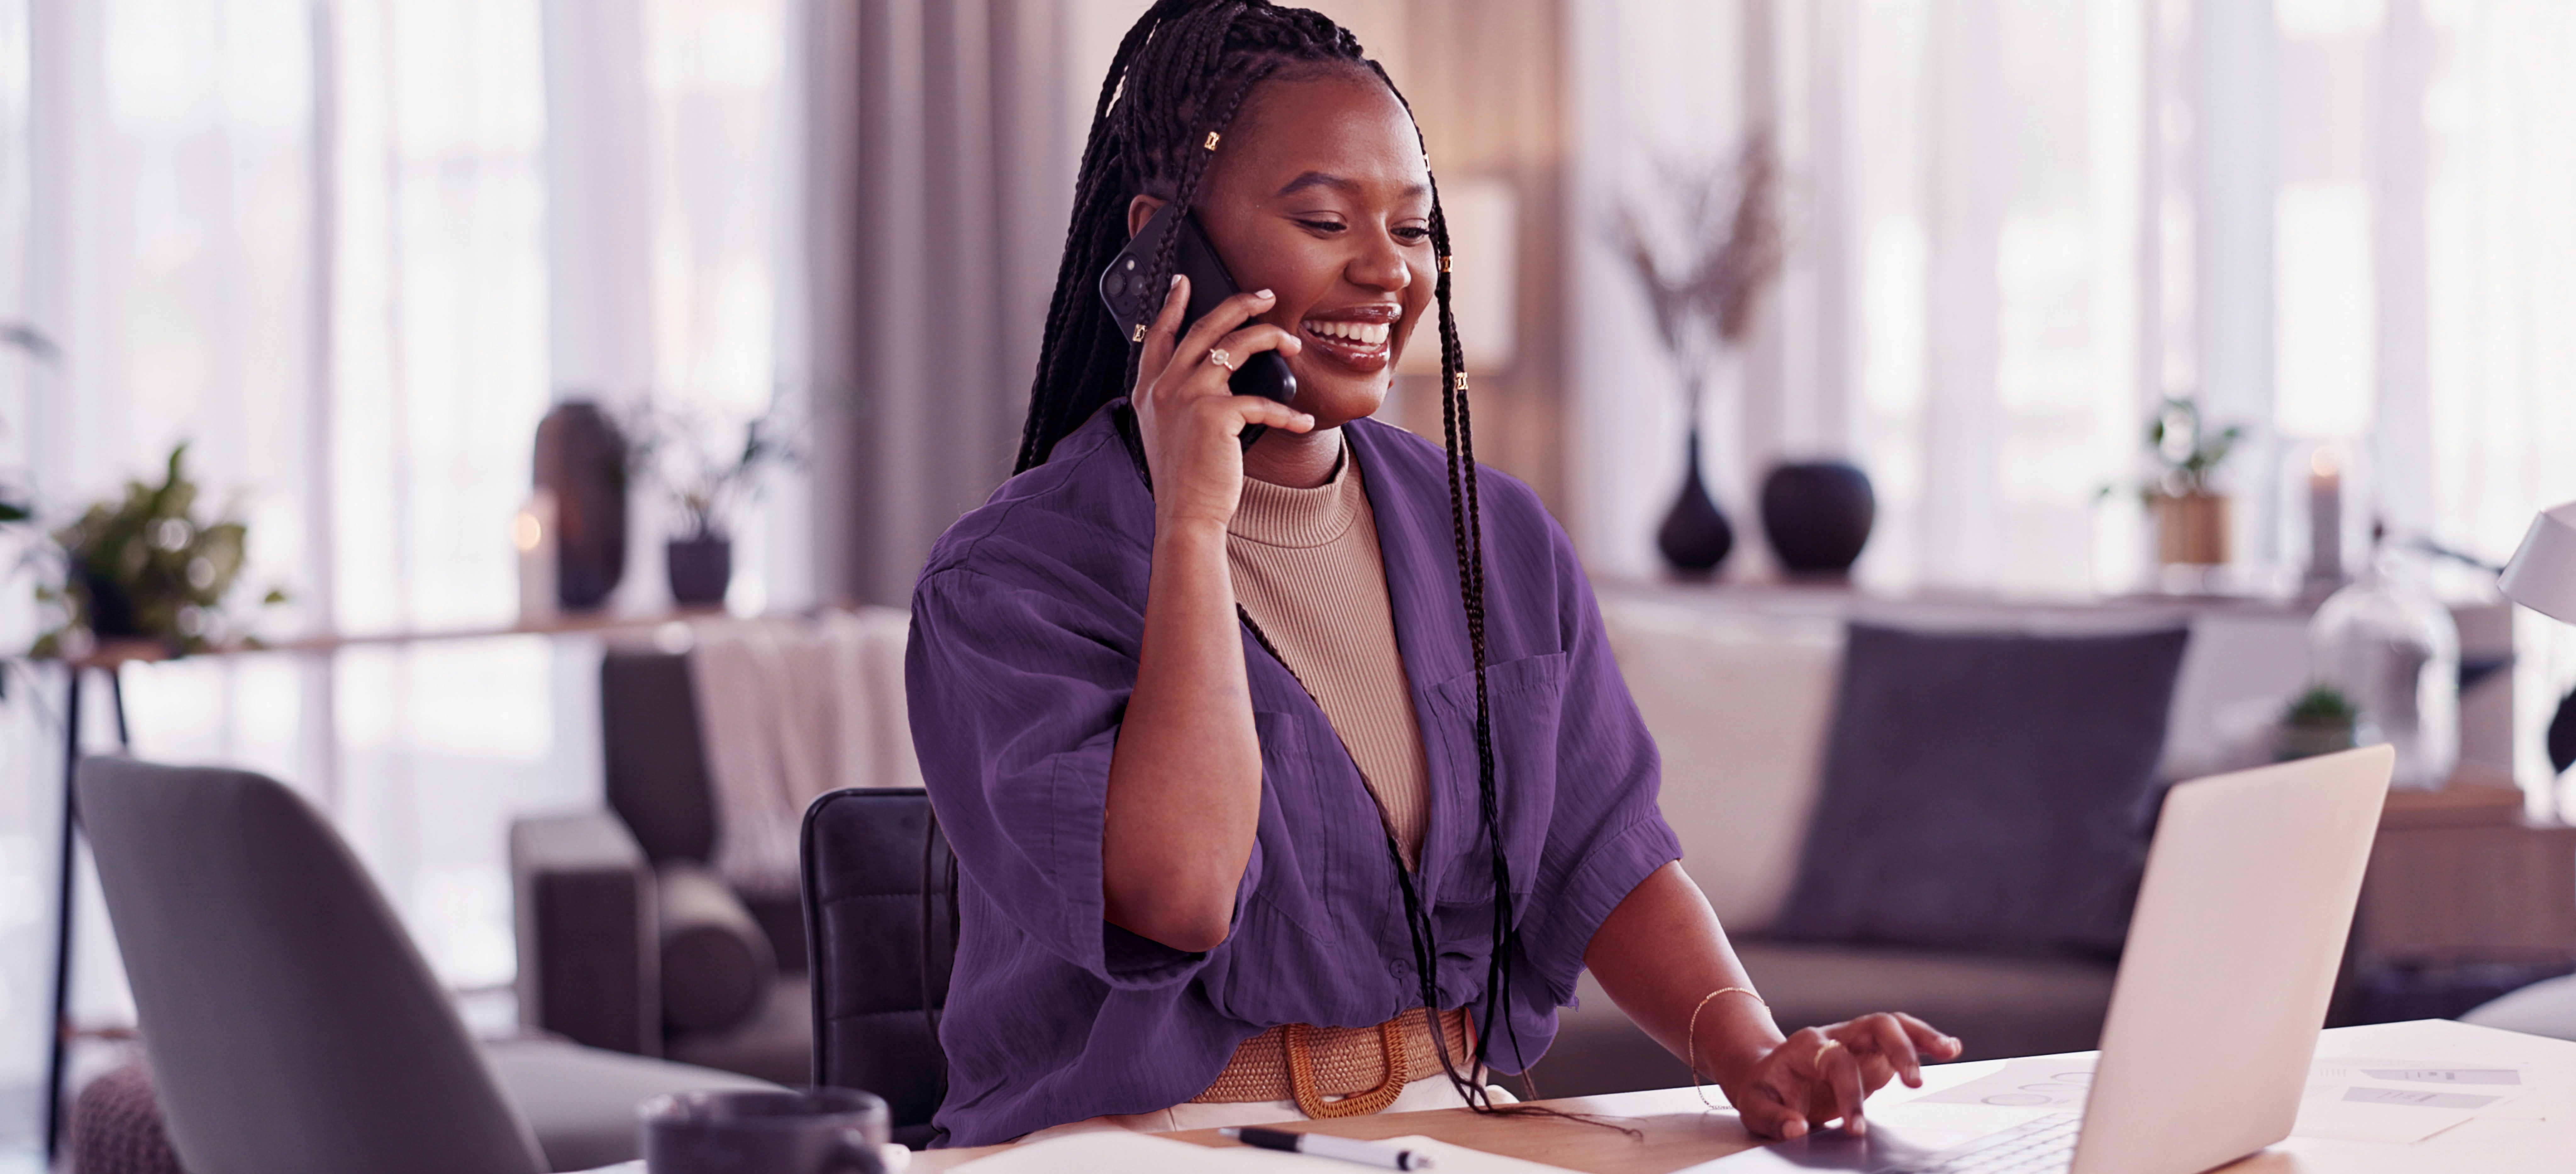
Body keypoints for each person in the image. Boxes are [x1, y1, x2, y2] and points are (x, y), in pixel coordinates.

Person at [904, 0, 1960, 1149]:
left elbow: (1604, 854)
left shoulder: (1490, 532)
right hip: (1145, 1145)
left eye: (1413, 230)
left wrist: (1754, 1053)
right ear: (1166, 243)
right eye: (1323, 219)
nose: (1386, 273)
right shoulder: (1008, 580)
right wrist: (1193, 527)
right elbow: (1181, 894)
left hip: (1447, 1130)